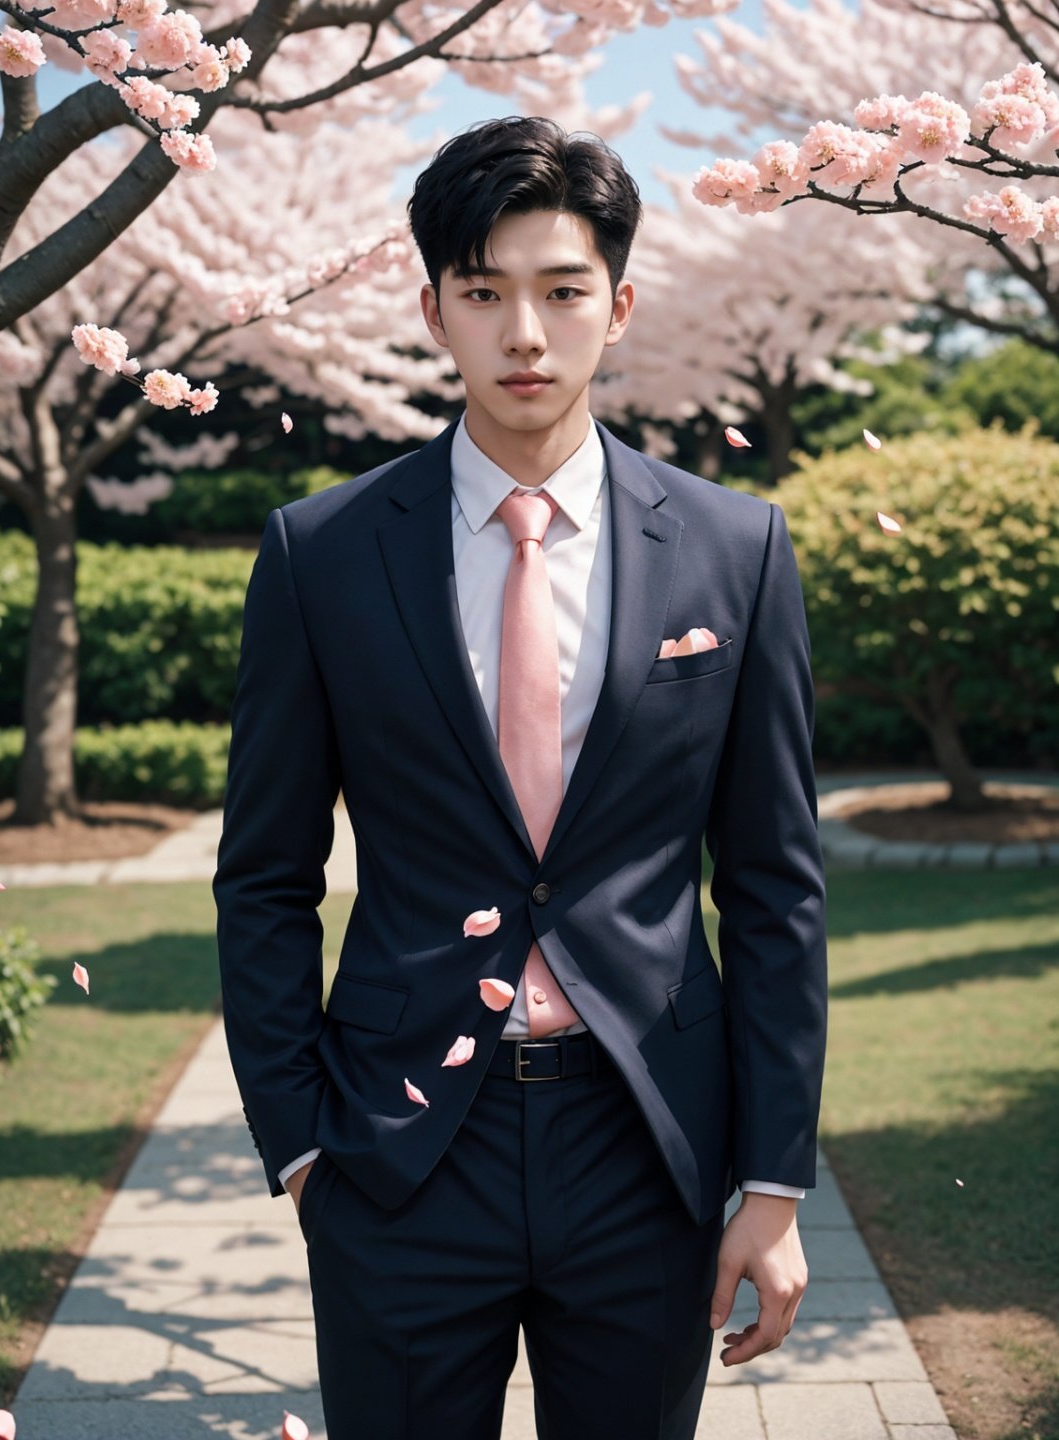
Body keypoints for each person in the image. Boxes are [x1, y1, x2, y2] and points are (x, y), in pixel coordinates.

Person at [213, 114, 827, 1440]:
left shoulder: (737, 551)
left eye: (560, 293)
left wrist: (772, 1184)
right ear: (434, 308)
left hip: (646, 1146)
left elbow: (777, 886)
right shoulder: (321, 555)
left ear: (619, 301)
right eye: (485, 295)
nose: (526, 337)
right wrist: (304, 1142)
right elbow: (264, 874)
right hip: (400, 1150)